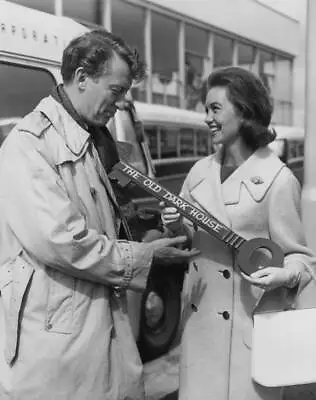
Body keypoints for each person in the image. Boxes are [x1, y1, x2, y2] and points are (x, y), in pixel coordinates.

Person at [0, 29, 199, 400]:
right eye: (116, 90)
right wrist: (145, 256)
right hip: (57, 351)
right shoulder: (30, 144)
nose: (120, 101)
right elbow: (64, 242)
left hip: (88, 336)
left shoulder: (90, 141)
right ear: (81, 78)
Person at [161, 66, 315, 400]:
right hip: (199, 326)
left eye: (215, 108)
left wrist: (284, 274)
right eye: (206, 109)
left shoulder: (277, 179)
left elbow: (301, 258)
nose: (207, 118)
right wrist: (175, 225)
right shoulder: (199, 172)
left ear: (244, 112)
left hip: (249, 332)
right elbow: (188, 241)